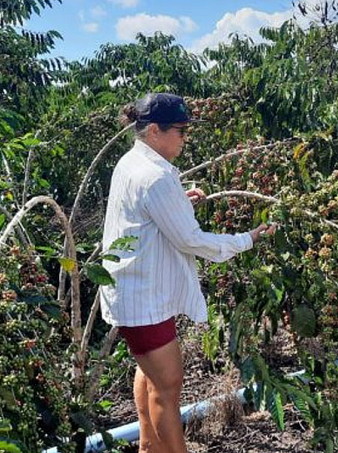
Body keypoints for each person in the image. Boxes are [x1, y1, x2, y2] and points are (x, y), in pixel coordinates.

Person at [100, 92, 275, 453]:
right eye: (180, 130)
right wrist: (247, 238)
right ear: (153, 131)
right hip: (144, 297)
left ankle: (150, 447)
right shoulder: (155, 177)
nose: (184, 137)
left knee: (150, 376)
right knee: (168, 387)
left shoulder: (132, 162)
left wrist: (179, 200)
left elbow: (149, 213)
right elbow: (191, 240)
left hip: (135, 292)